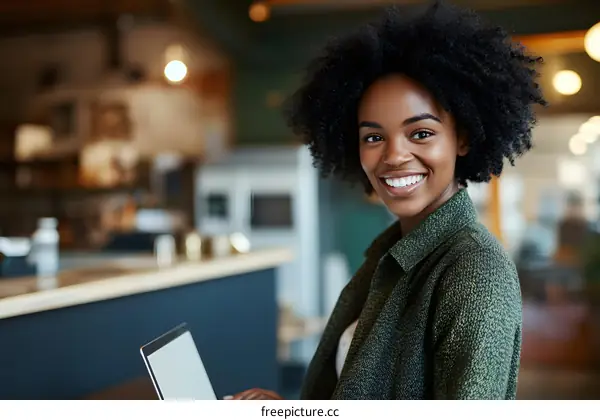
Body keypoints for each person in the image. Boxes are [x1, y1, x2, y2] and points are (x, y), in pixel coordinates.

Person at [227, 0, 546, 400]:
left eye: (421, 133)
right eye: (374, 137)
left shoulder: (474, 271)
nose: (393, 155)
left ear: (462, 138)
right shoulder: (391, 254)